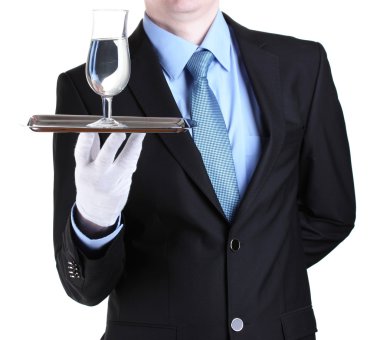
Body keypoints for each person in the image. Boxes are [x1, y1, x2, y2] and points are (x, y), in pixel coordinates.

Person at [53, 1, 356, 339]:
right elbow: (83, 288)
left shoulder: (302, 65)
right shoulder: (90, 90)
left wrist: (247, 269)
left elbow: (331, 214)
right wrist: (95, 220)